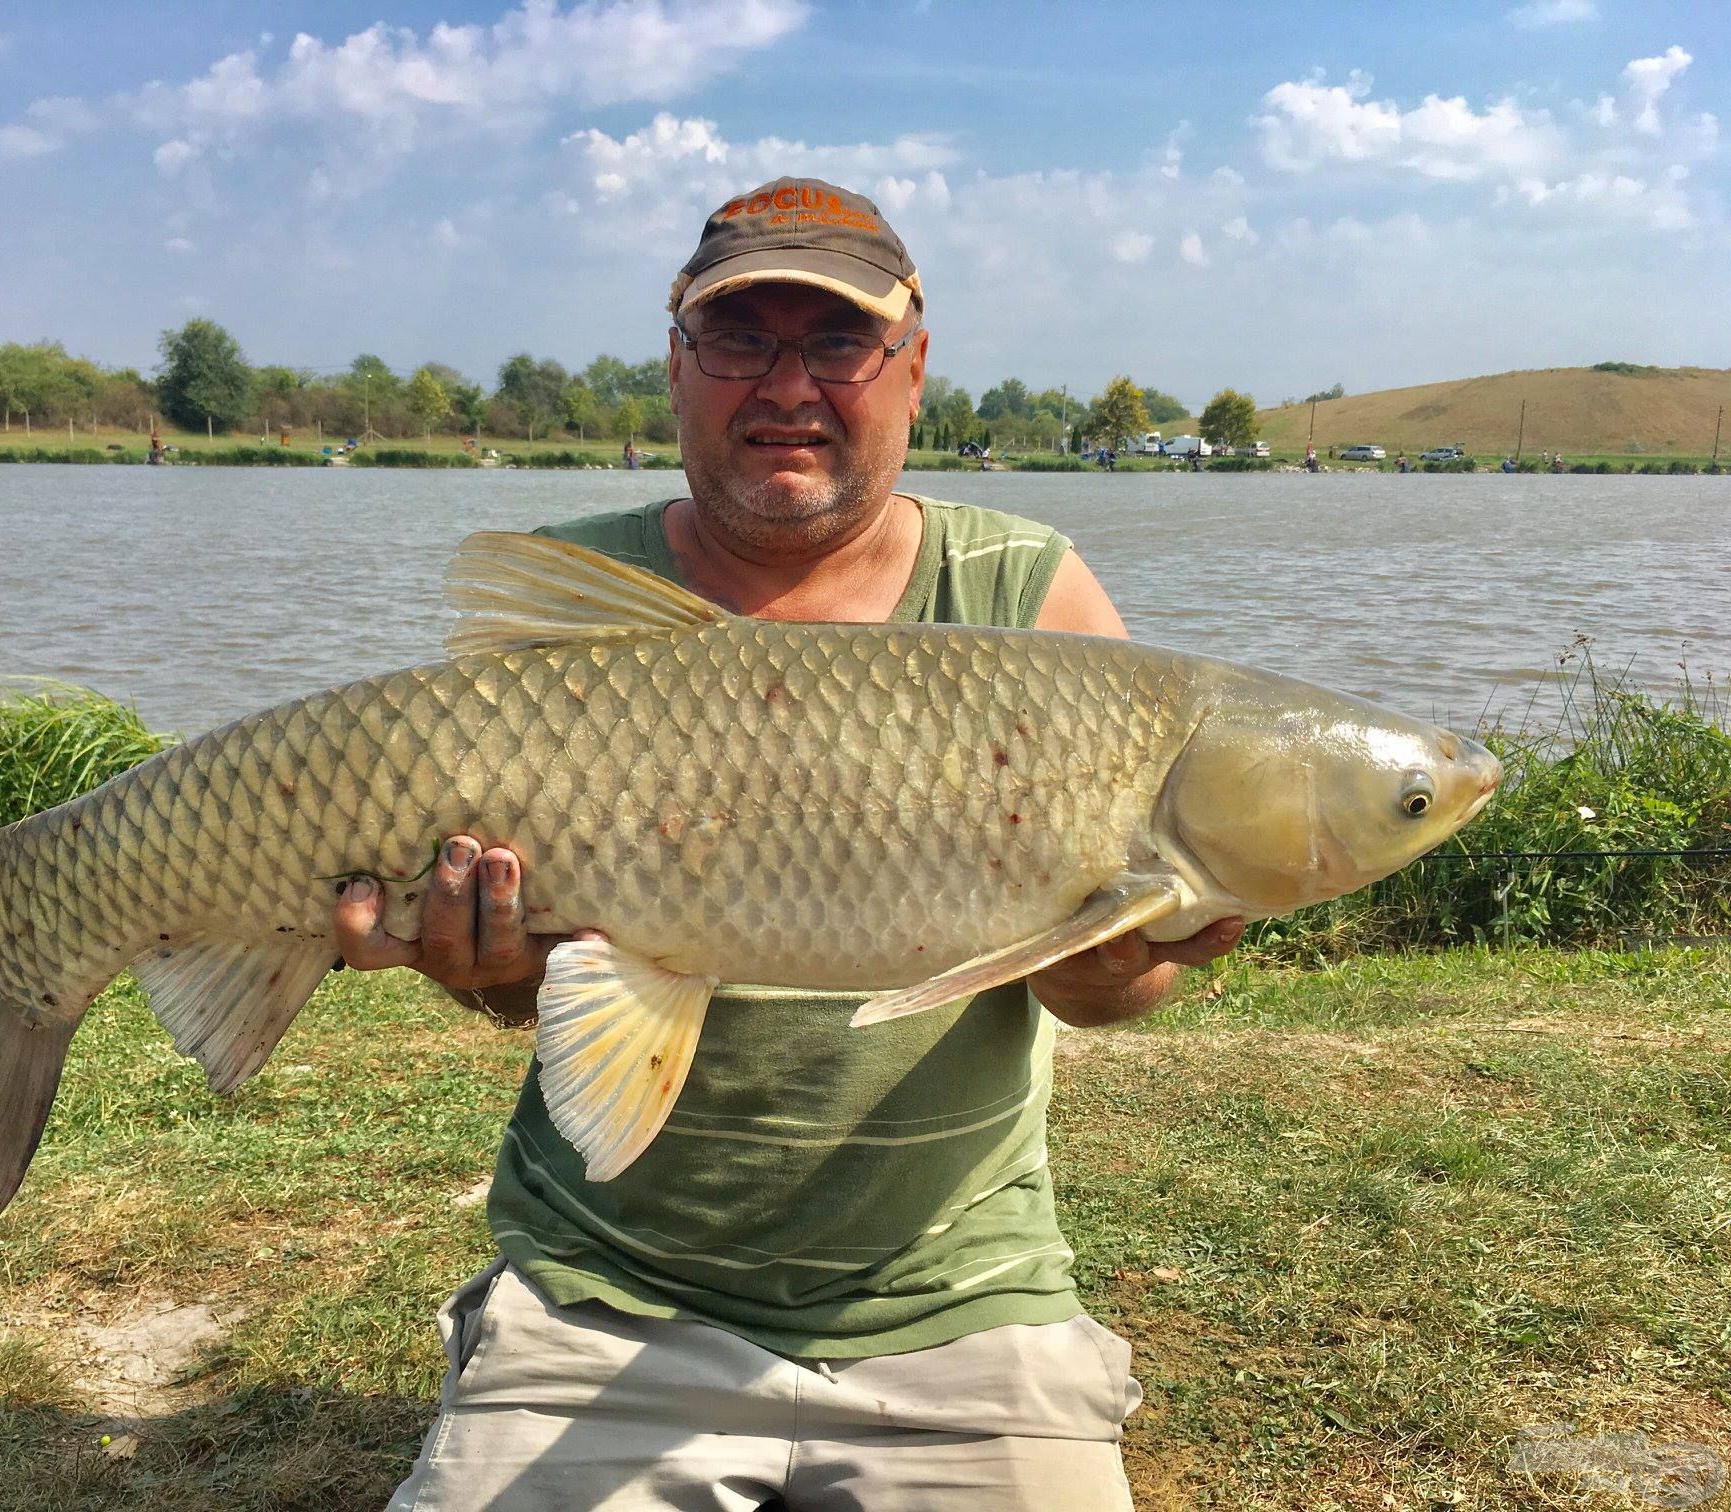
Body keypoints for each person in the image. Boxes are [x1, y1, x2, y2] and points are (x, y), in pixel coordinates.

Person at [340, 176, 1244, 1511]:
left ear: (914, 370)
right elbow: (555, 985)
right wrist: (486, 970)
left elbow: (1106, 985)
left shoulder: (1027, 594)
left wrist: (1116, 964)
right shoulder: (576, 603)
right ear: (675, 366)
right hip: (608, 1299)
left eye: (834, 344)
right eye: (737, 340)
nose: (785, 385)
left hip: (957, 1301)